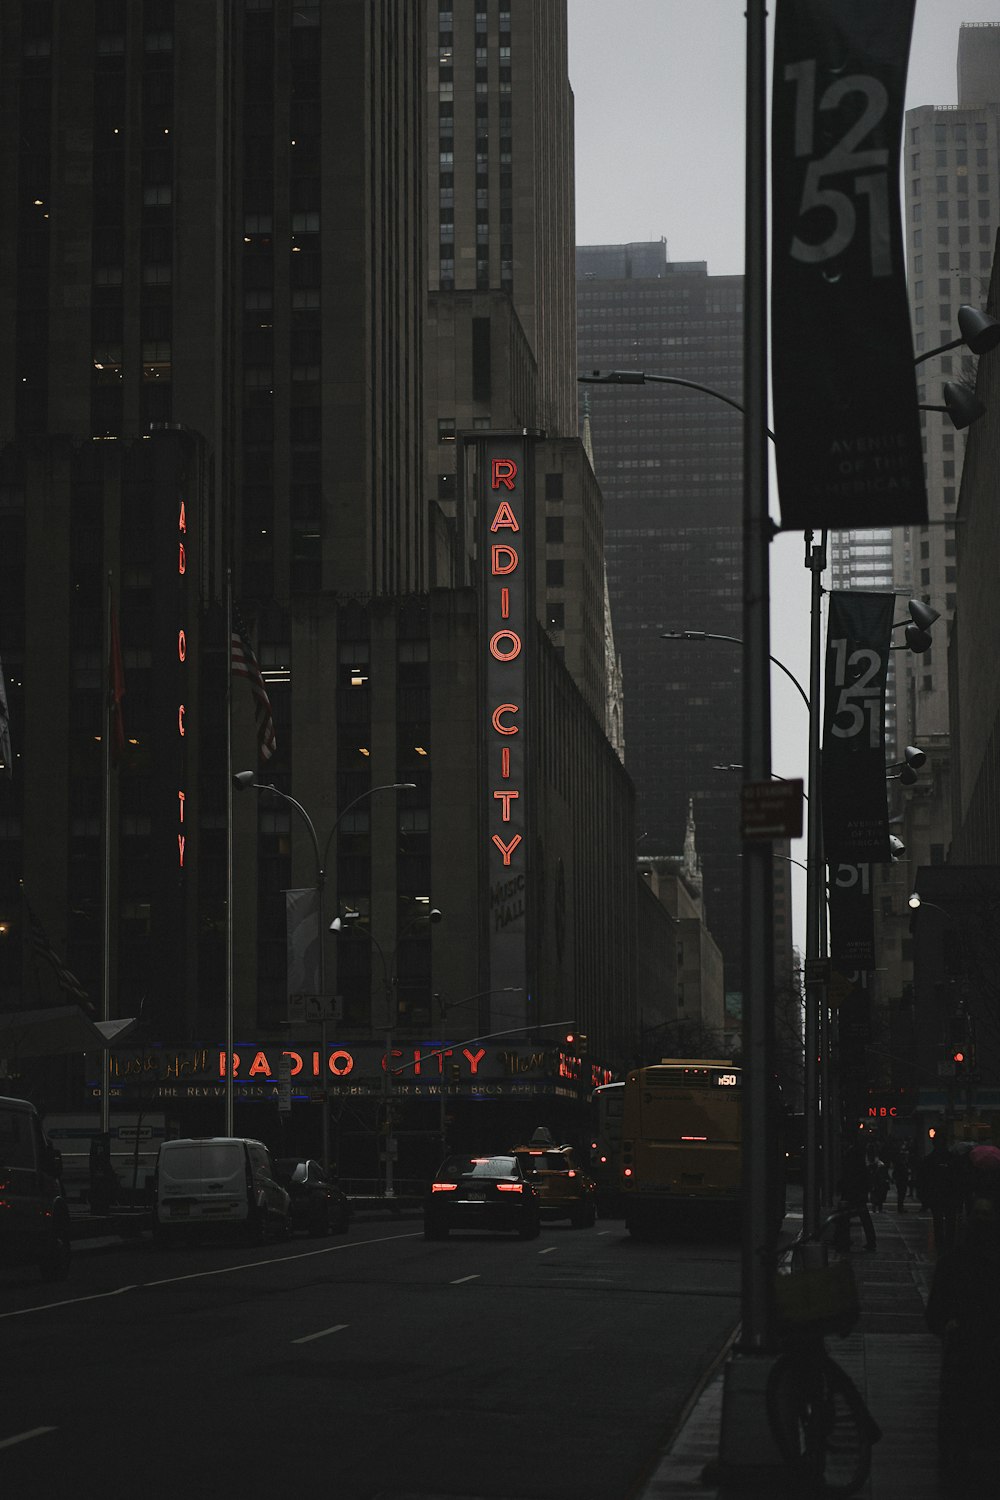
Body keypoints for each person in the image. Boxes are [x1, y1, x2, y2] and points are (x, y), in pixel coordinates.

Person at [925, 1194, 1000, 1480]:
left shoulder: (952, 1264)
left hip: (962, 1355)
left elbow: (934, 1317)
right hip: (991, 1353)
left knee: (955, 1414)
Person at [919, 1140, 965, 1255]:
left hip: (936, 1194)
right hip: (950, 1194)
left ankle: (939, 1242)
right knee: (950, 1219)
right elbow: (959, 1179)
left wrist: (924, 1197)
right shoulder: (953, 1159)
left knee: (938, 1219)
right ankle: (949, 1242)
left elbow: (924, 1179)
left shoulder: (929, 1159)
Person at [839, 1140, 877, 1251]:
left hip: (854, 1191)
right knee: (863, 1217)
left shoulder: (852, 1157)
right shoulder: (859, 1159)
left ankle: (844, 1239)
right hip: (858, 1191)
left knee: (846, 1216)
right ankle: (870, 1240)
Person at [891, 1146, 910, 1213]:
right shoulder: (901, 1165)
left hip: (900, 1180)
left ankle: (900, 1207)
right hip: (901, 1181)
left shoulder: (900, 1164)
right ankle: (900, 1208)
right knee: (901, 1194)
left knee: (901, 1195)